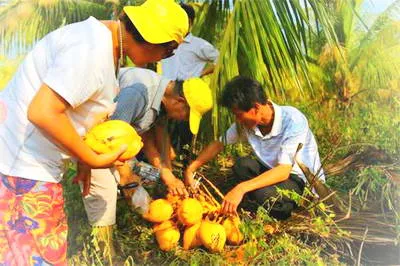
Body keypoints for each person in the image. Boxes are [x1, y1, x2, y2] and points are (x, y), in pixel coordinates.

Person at [0, 0, 189, 264]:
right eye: (169, 51)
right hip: (22, 166)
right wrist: (92, 158)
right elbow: (42, 111)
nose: (164, 59)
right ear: (154, 39)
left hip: (22, 161)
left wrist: (83, 157)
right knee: (41, 256)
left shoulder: (101, 45)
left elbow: (75, 112)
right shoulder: (91, 52)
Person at [81, 67, 213, 257]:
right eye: (186, 114)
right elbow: (108, 140)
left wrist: (168, 175)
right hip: (95, 146)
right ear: (180, 101)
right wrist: (128, 181)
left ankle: (135, 206)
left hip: (124, 149)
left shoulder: (163, 98)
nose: (183, 119)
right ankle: (103, 250)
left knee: (154, 176)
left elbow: (153, 138)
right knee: (107, 192)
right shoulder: (138, 94)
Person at [184, 76, 325, 220]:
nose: (238, 120)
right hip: (271, 171)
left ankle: (282, 211)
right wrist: (191, 169)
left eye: (239, 115)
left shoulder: (293, 120)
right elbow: (219, 144)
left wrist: (241, 188)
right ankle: (259, 199)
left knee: (263, 194)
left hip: (298, 180)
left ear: (256, 107)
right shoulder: (247, 125)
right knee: (242, 166)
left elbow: (283, 171)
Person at [160, 3, 219, 80]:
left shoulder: (200, 45)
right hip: (166, 89)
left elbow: (220, 59)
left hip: (188, 90)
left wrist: (201, 73)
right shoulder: (164, 43)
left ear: (190, 22)